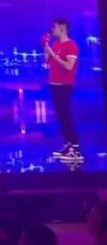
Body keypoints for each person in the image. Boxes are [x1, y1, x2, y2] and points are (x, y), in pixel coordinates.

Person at [43, 18, 81, 162]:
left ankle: (75, 148)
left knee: (66, 116)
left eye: (54, 27)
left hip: (65, 86)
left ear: (62, 28)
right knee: (60, 117)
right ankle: (68, 145)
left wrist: (53, 54)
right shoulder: (56, 44)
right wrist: (46, 46)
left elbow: (69, 66)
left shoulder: (71, 45)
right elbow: (47, 60)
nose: (52, 29)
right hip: (54, 85)